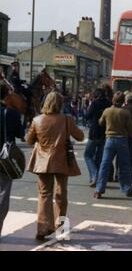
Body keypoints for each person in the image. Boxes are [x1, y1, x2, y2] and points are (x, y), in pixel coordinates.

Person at [26, 92, 84, 241]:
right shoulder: (66, 120)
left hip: (42, 162)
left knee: (45, 194)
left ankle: (43, 227)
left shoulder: (37, 120)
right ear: (61, 104)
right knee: (61, 192)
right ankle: (61, 224)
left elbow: (29, 140)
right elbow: (81, 136)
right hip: (61, 160)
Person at [94, 92, 132, 198]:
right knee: (124, 165)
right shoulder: (125, 113)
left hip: (109, 140)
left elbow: (100, 122)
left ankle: (99, 189)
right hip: (122, 140)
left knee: (105, 165)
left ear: (113, 100)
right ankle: (127, 188)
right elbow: (130, 128)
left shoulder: (107, 111)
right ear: (123, 101)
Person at [0, 82, 25, 238]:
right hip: (5, 159)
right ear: (7, 95)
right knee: (3, 193)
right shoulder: (12, 113)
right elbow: (20, 133)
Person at [84, 88, 111, 187]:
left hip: (94, 132)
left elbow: (87, 116)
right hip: (104, 133)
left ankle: (94, 176)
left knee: (88, 155)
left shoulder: (95, 103)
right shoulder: (109, 103)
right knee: (99, 158)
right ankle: (96, 178)